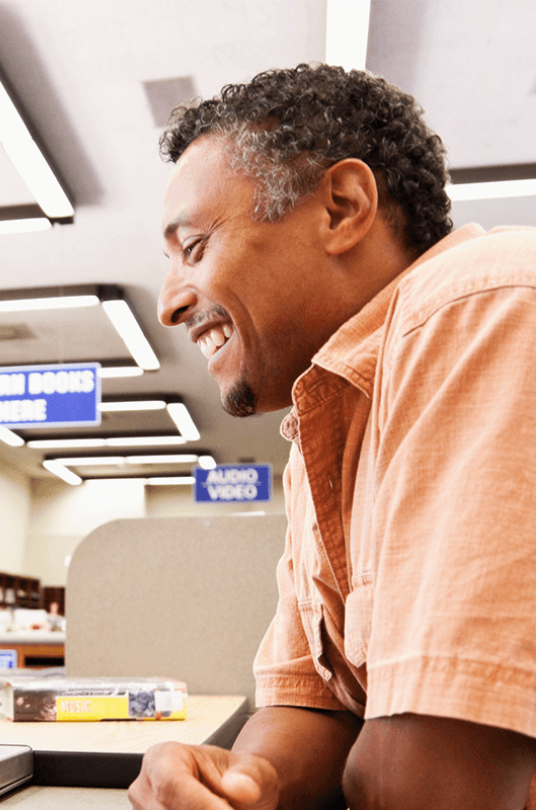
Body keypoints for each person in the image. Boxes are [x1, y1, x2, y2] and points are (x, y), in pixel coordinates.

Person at [130, 64, 536, 809]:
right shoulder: (325, 416)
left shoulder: (482, 304)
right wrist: (243, 781)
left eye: (192, 247)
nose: (168, 304)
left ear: (342, 208)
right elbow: (312, 701)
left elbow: (435, 781)